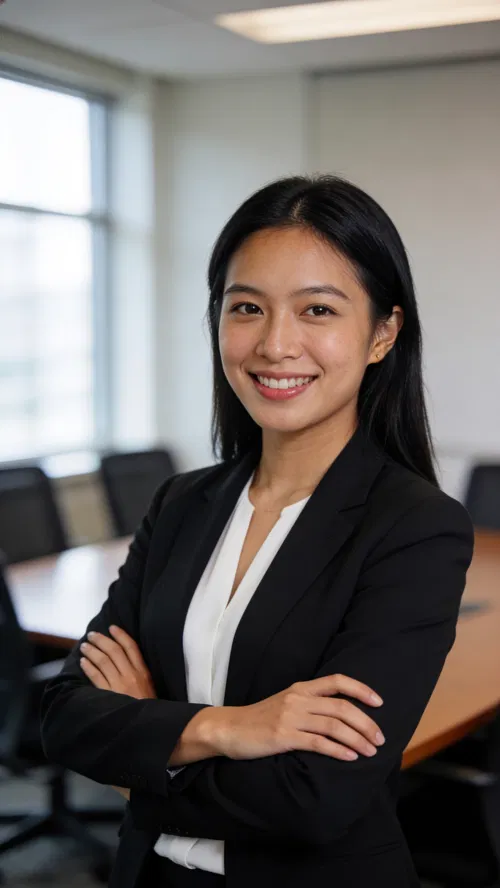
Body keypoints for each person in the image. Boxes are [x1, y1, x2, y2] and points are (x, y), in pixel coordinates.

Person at [41, 175, 474, 888]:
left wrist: (146, 744)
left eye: (318, 310)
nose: (276, 344)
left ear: (382, 334)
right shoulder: (182, 503)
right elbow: (63, 715)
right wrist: (227, 727)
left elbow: (316, 798)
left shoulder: (416, 528)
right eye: (247, 308)